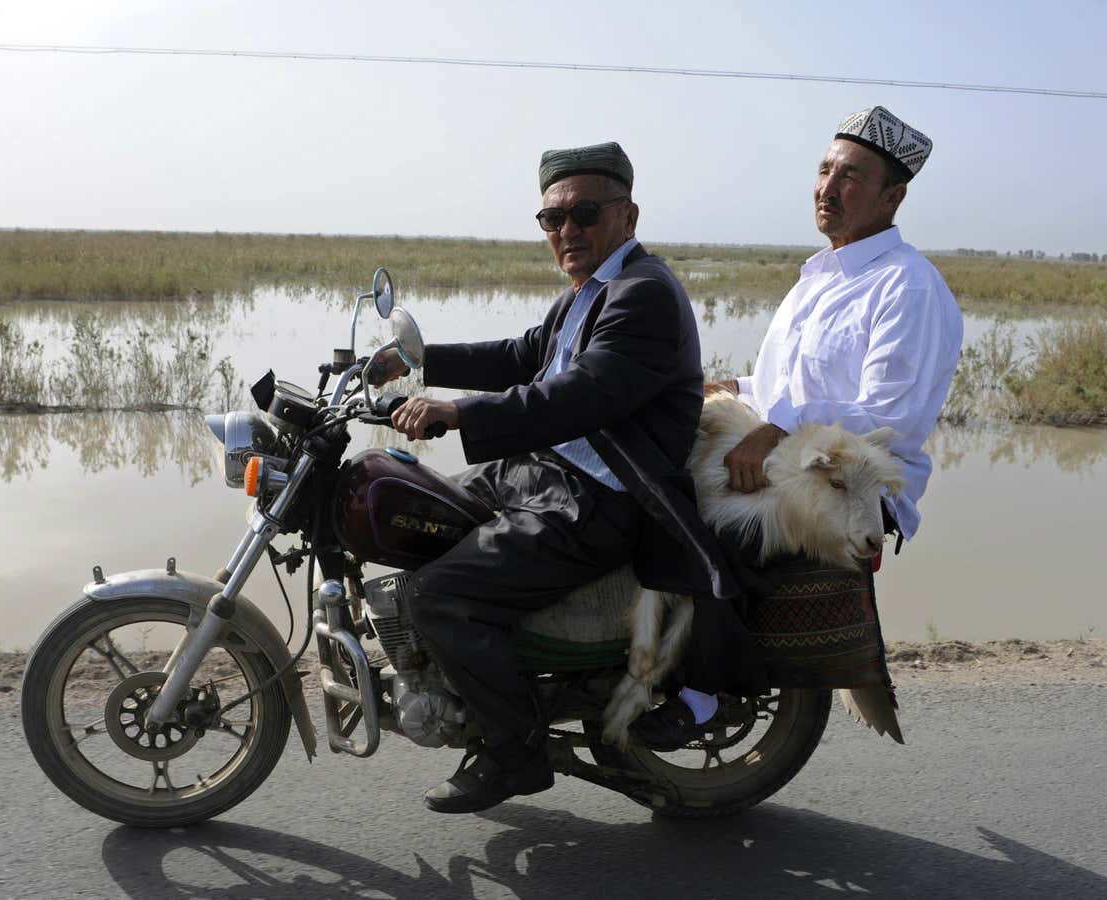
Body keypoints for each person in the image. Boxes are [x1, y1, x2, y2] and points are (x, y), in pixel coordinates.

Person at [369, 142, 756, 814]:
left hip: (603, 497)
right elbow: (527, 356)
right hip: (544, 473)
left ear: (626, 216)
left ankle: (514, 753)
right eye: (552, 220)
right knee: (419, 516)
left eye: (584, 214)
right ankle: (462, 681)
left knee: (441, 596)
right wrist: (420, 360)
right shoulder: (591, 291)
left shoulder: (644, 296)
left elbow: (579, 395)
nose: (567, 232)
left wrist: (457, 413)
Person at [633, 106, 964, 746]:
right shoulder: (817, 278)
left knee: (709, 527)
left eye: (852, 177)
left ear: (893, 196)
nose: (828, 188)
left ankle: (704, 693)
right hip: (794, 458)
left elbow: (888, 420)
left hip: (858, 483)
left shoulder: (907, 286)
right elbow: (787, 391)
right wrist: (733, 391)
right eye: (824, 170)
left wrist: (773, 429)